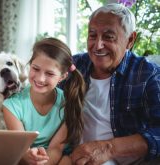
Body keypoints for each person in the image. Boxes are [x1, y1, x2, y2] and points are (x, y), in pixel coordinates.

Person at [66, 3, 160, 165]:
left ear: (130, 40)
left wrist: (109, 148)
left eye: (109, 37)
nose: (98, 45)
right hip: (71, 156)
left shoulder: (148, 74)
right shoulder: (75, 66)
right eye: (92, 35)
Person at [3, 37, 86, 165]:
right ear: (30, 66)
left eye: (49, 73)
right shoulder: (12, 106)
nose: (40, 78)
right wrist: (29, 156)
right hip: (26, 157)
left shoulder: (69, 104)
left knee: (67, 161)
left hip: (58, 156)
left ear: (62, 77)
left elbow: (56, 149)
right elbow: (22, 149)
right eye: (36, 69)